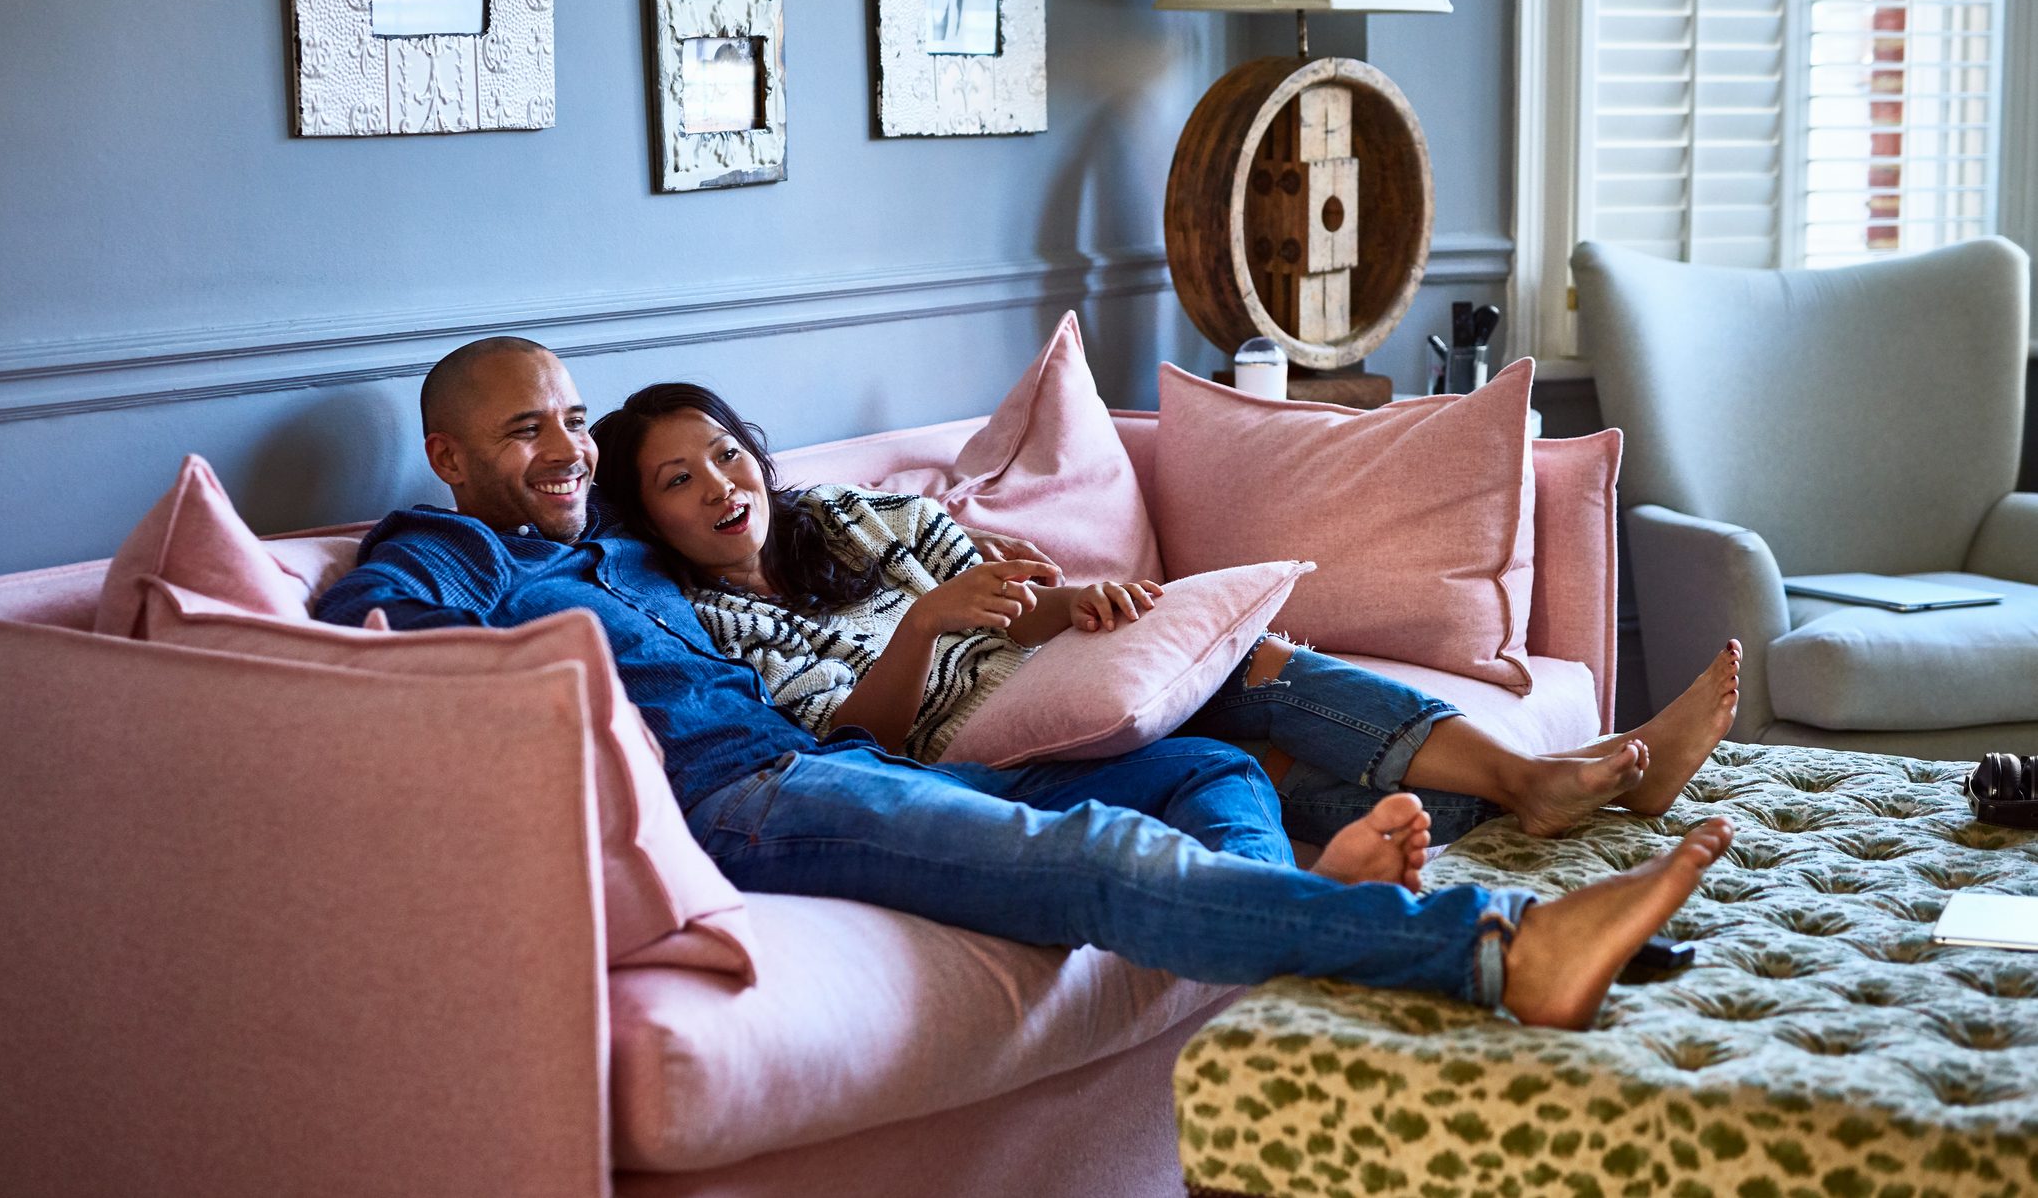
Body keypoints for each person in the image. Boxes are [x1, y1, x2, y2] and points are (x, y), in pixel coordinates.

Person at [314, 336, 1736, 1029]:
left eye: (570, 420)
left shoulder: (619, 547)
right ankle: (1489, 948)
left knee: (1198, 769)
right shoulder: (450, 543)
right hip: (741, 802)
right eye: (523, 432)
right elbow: (368, 657)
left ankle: (1315, 935)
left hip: (840, 772)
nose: (561, 448)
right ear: (450, 457)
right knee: (1095, 853)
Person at [593, 381, 1743, 851]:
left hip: (1028, 673)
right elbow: (853, 743)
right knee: (1244, 694)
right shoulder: (699, 621)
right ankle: (1560, 778)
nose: (719, 487)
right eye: (678, 481)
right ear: (646, 515)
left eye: (725, 454)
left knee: (1256, 712)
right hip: (954, 740)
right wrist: (923, 631)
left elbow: (1012, 607)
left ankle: (1555, 783)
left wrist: (1064, 606)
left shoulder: (842, 515)